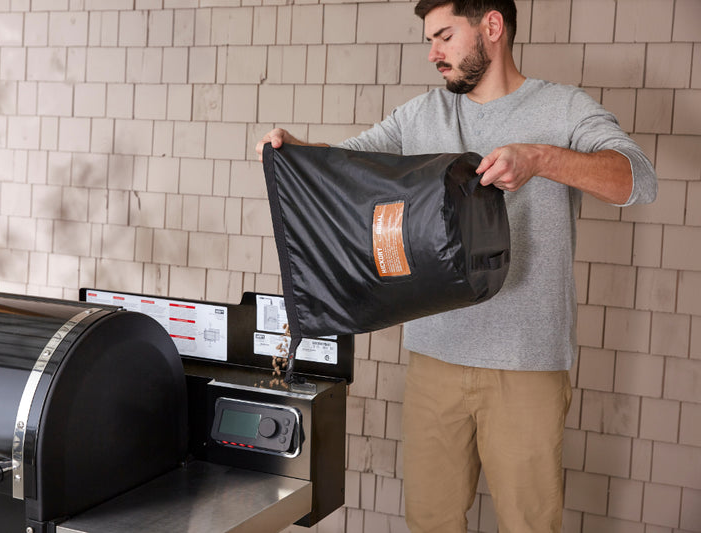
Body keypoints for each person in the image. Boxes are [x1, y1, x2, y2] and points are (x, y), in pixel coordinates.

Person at [256, 0, 657, 531]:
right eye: (430, 40)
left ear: (491, 27)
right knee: (430, 521)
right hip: (433, 361)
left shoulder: (562, 110)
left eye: (444, 37)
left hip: (526, 364)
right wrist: (294, 151)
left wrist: (539, 159)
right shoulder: (421, 115)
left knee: (529, 523)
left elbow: (637, 181)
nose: (432, 54)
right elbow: (346, 168)